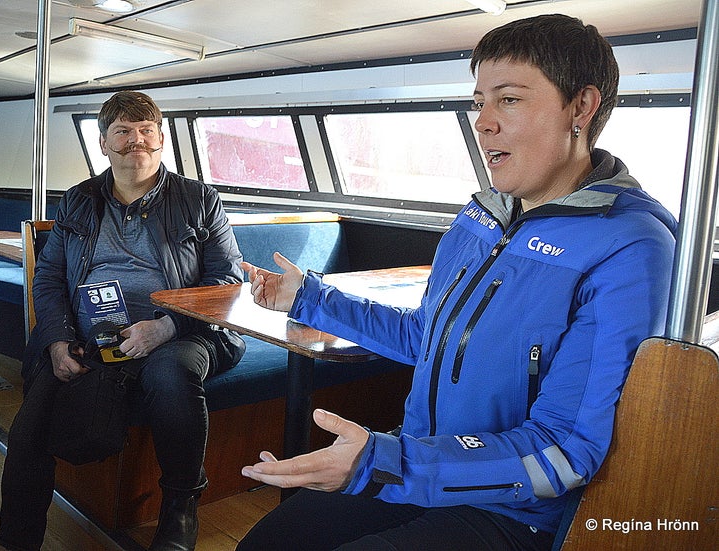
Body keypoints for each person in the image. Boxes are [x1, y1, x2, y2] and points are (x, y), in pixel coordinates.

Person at [236, 14, 677, 551]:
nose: (483, 121)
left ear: (581, 107)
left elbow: (566, 450)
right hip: (420, 462)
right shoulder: (480, 217)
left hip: (511, 512)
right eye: (478, 102)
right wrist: (307, 297)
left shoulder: (629, 244)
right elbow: (426, 336)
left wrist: (384, 462)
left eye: (508, 100)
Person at [0, 90, 245, 551]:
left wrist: (166, 326)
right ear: (104, 143)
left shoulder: (199, 199)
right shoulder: (77, 201)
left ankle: (179, 511)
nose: (137, 140)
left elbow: (225, 282)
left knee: (171, 373)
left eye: (146, 130)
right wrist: (57, 339)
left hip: (185, 328)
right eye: (123, 131)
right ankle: (18, 538)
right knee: (31, 419)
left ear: (162, 138)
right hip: (91, 331)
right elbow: (49, 279)